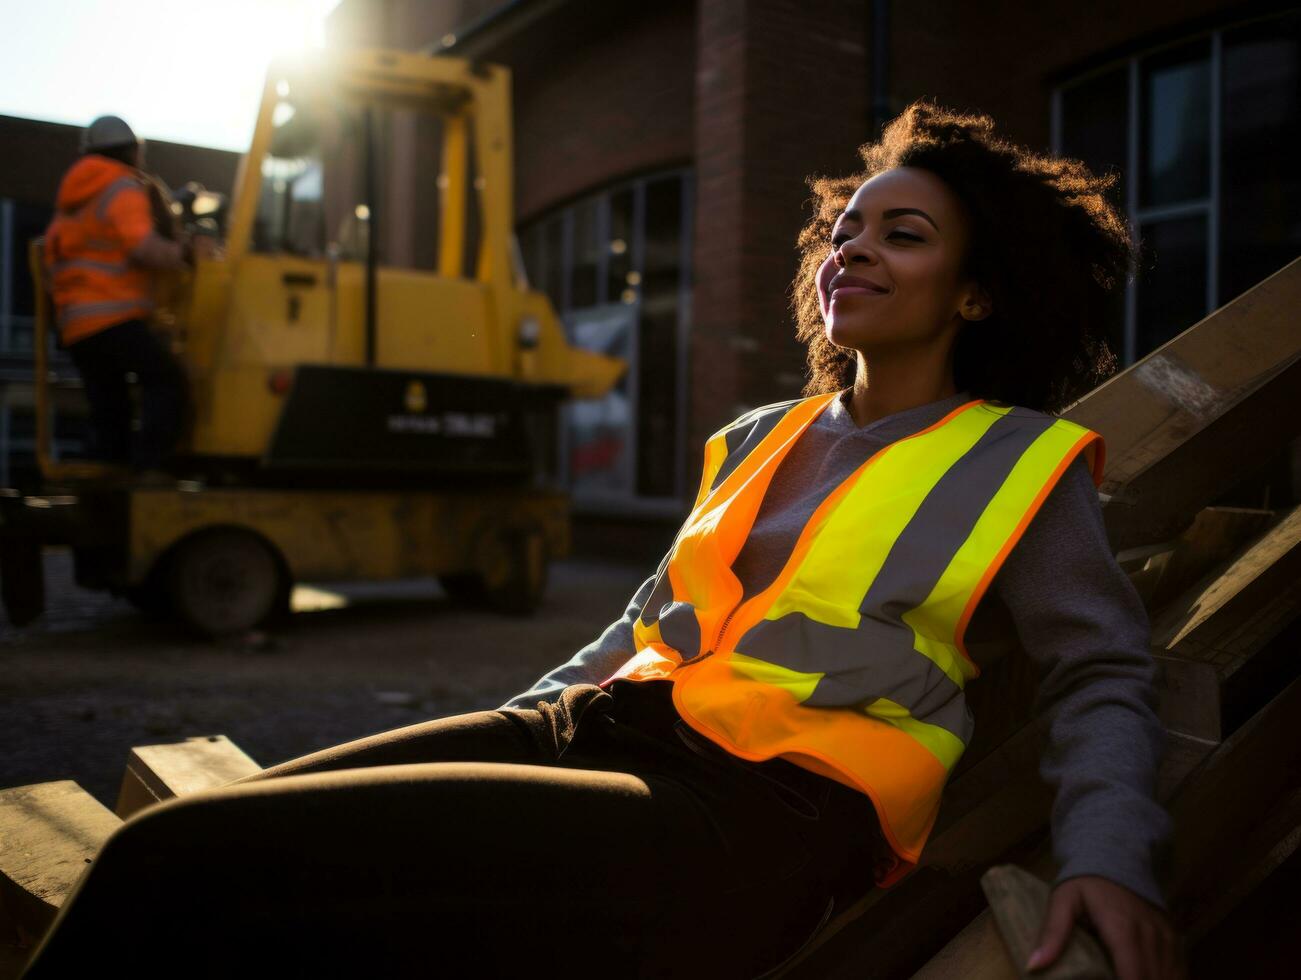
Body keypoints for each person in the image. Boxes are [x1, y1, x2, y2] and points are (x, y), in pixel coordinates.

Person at [21, 101, 1181, 980]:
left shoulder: (1013, 461)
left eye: (903, 234)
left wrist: (1106, 857)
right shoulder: (755, 436)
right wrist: (515, 731)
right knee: (192, 850)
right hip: (597, 731)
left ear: (974, 294)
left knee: (161, 866)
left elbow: (1100, 674)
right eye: (844, 228)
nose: (852, 250)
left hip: (747, 821)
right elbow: (640, 620)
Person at [43, 115, 191, 473]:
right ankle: (150, 463)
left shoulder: (74, 200)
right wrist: (182, 256)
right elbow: (141, 246)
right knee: (166, 379)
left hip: (76, 325)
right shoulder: (122, 187)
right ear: (132, 150)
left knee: (111, 406)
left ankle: (111, 469)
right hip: (113, 317)